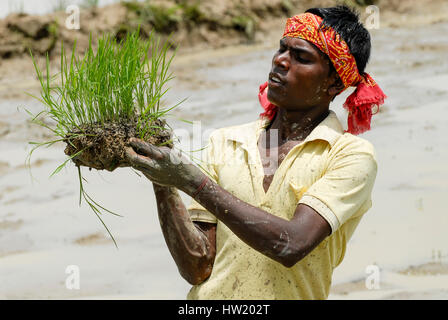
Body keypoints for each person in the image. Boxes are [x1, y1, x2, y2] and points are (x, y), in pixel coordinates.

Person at [125, 5, 386, 299]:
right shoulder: (226, 142)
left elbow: (292, 244)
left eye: (301, 58)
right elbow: (197, 268)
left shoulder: (349, 156)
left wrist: (193, 182)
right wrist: (163, 180)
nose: (281, 62)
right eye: (282, 49)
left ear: (334, 83)